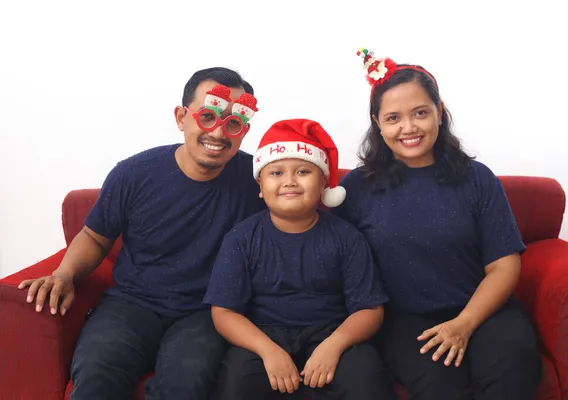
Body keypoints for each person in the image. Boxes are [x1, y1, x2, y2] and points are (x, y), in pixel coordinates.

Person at [17, 67, 266, 400]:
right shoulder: (134, 173)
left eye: (233, 124)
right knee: (96, 375)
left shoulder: (260, 181)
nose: (219, 134)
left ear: (243, 129)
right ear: (182, 117)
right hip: (132, 303)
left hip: (206, 312)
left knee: (186, 383)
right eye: (208, 117)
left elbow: (301, 206)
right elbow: (94, 236)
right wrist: (64, 274)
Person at [332, 48, 542, 400]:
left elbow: (504, 266)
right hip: (407, 322)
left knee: (513, 370)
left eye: (420, 113)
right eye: (394, 118)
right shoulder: (356, 188)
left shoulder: (477, 179)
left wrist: (464, 324)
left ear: (439, 113)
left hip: (485, 310)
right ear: (378, 123)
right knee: (440, 387)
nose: (408, 128)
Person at [203, 119, 396, 400]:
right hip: (263, 336)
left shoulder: (347, 237)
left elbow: (370, 310)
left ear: (322, 184)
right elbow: (224, 312)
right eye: (277, 172)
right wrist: (267, 351)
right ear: (260, 185)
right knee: (237, 381)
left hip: (333, 333)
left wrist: (334, 345)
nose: (289, 181)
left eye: (303, 171)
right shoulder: (241, 238)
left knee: (365, 378)